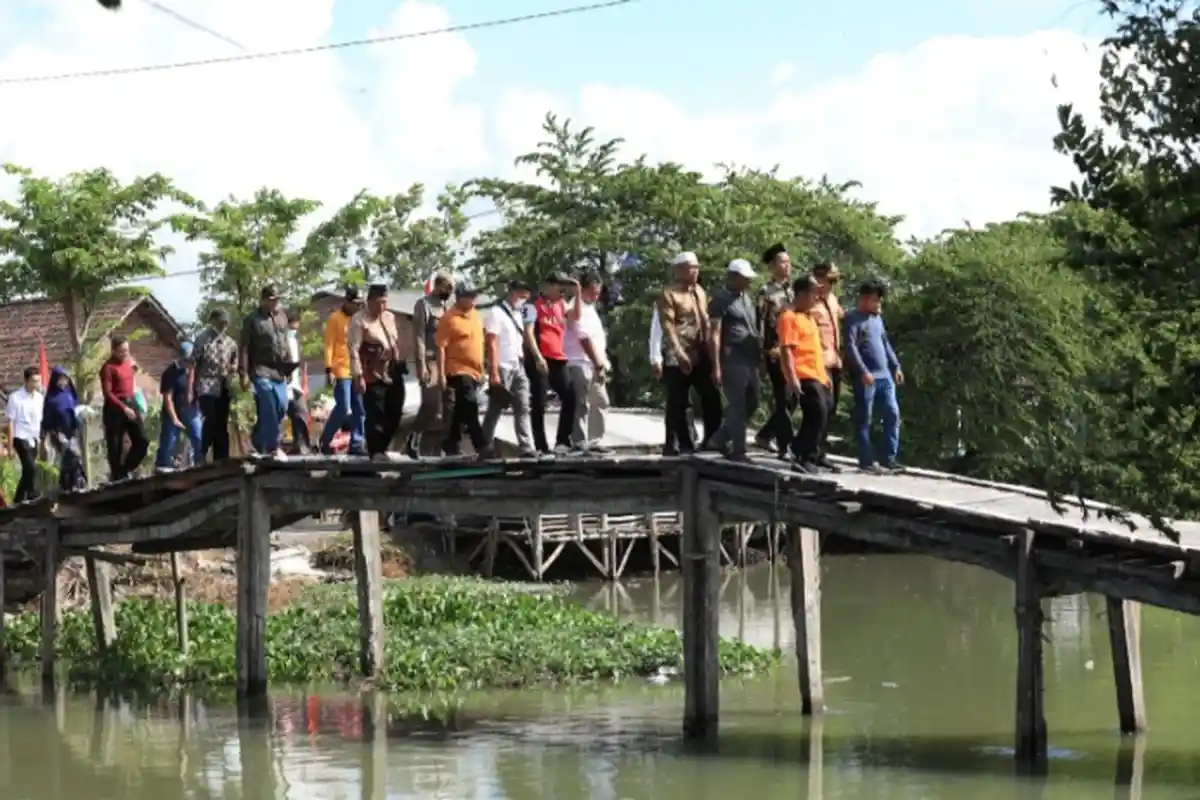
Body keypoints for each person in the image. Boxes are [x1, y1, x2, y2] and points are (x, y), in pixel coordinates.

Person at [658, 251, 722, 453]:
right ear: (679, 270)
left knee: (711, 396)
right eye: (690, 268)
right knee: (678, 401)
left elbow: (707, 321)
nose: (695, 271)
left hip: (701, 351)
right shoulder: (669, 294)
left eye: (696, 267)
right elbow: (668, 326)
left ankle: (712, 440)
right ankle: (681, 444)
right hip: (679, 353)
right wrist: (678, 352)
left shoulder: (700, 291)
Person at [845, 280, 904, 473]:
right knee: (865, 418)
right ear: (864, 299)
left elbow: (885, 344)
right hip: (867, 377)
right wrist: (863, 371)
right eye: (875, 300)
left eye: (880, 300)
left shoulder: (877, 319)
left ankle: (889, 458)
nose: (879, 304)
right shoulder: (853, 318)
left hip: (885, 376)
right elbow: (851, 347)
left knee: (892, 413)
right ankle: (866, 460)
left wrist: (896, 366)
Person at [707, 259, 762, 462]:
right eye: (745, 278)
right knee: (737, 405)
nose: (749, 282)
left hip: (751, 358)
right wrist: (716, 366)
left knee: (753, 401)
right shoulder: (720, 300)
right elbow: (714, 334)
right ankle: (739, 450)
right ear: (733, 277)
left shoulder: (746, 298)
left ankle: (720, 438)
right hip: (732, 359)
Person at [777, 275, 832, 473]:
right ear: (801, 294)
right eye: (813, 293)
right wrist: (791, 378)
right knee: (817, 411)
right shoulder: (788, 316)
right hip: (803, 374)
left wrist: (825, 375)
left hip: (818, 374)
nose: (816, 297)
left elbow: (815, 350)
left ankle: (812, 453)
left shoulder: (809, 318)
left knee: (825, 410)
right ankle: (801, 453)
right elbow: (786, 351)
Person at [348, 284, 406, 459]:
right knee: (376, 413)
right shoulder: (359, 320)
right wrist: (358, 376)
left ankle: (383, 446)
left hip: (392, 370)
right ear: (370, 301)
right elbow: (353, 349)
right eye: (380, 302)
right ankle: (376, 451)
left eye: (385, 302)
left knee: (395, 410)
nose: (383, 306)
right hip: (372, 371)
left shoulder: (389, 317)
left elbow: (394, 342)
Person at [523, 272, 578, 455]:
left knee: (570, 396)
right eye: (559, 286)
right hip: (540, 357)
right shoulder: (532, 304)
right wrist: (537, 357)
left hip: (558, 357)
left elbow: (575, 316)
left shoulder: (561, 304)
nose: (563, 291)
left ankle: (563, 440)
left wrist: (577, 293)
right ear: (548, 285)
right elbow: (528, 332)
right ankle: (541, 446)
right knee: (539, 401)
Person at [482, 279, 537, 457]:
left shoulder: (519, 315)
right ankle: (484, 444)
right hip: (503, 365)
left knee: (523, 406)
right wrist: (494, 371)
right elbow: (491, 342)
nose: (524, 300)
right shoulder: (496, 313)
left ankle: (526, 446)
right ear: (513, 293)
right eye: (522, 296)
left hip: (518, 365)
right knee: (495, 408)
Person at [239, 284, 294, 458]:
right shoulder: (252, 320)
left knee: (282, 406)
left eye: (277, 299)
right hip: (260, 369)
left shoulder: (282, 317)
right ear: (263, 300)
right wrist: (243, 373)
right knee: (269, 402)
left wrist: (289, 366)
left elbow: (286, 343)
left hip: (278, 371)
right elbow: (244, 347)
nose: (274, 303)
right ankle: (273, 446)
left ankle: (257, 440)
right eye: (271, 300)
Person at [436, 279, 487, 457]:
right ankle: (481, 445)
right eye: (469, 296)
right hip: (457, 369)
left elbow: (480, 344)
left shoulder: (476, 316)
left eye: (474, 296)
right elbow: (441, 347)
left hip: (475, 371)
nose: (473, 299)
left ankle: (451, 443)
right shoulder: (449, 318)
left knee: (461, 408)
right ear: (459, 297)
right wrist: (441, 375)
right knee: (471, 405)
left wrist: (483, 369)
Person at [406, 273, 453, 458]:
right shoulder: (423, 305)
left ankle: (439, 447)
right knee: (430, 404)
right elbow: (419, 337)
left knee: (448, 407)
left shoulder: (446, 307)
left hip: (446, 361)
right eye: (447, 288)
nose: (449, 292)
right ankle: (414, 436)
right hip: (430, 360)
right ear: (438, 285)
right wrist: (421, 365)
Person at [564, 272, 611, 454]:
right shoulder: (574, 307)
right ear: (582, 290)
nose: (595, 296)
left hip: (596, 364)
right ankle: (579, 441)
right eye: (592, 292)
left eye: (598, 293)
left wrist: (602, 362)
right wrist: (597, 361)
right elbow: (583, 337)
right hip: (579, 362)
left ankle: (595, 440)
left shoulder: (591, 309)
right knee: (581, 403)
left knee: (601, 401)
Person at [756, 243, 794, 454]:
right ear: (772, 266)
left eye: (789, 262)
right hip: (775, 352)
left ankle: (765, 434)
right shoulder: (766, 292)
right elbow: (760, 324)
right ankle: (784, 445)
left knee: (794, 398)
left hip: (794, 351)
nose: (787, 266)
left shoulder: (793, 291)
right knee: (783, 398)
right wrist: (763, 354)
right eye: (782, 262)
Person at [320, 287, 365, 455]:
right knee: (343, 406)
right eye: (355, 303)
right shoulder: (335, 319)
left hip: (357, 369)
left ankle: (357, 444)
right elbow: (329, 345)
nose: (358, 307)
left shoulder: (360, 319)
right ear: (347, 301)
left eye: (360, 304)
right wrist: (328, 369)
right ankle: (325, 440)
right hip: (340, 369)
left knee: (359, 408)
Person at [189, 307, 238, 462]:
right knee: (211, 419)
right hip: (205, 384)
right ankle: (202, 453)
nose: (224, 325)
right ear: (213, 321)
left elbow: (235, 361)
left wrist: (234, 367)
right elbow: (193, 365)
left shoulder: (231, 343)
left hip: (223, 385)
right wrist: (190, 389)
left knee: (222, 423)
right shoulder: (202, 340)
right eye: (221, 322)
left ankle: (221, 459)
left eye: (226, 323)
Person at [100, 335, 149, 480]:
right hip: (114, 407)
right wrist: (123, 408)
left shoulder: (128, 363)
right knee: (115, 447)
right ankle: (117, 476)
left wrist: (134, 404)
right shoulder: (108, 368)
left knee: (142, 440)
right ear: (114, 351)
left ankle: (127, 467)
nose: (125, 353)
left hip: (131, 402)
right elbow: (108, 393)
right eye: (121, 351)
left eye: (126, 350)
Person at [811, 262, 845, 464]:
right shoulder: (810, 302)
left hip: (835, 360)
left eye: (834, 281)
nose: (832, 285)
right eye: (829, 280)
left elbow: (841, 315)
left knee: (831, 408)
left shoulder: (832, 299)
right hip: (819, 361)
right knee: (821, 407)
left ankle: (819, 451)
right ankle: (810, 450)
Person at [156, 342, 203, 470]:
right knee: (169, 444)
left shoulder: (194, 370)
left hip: (191, 410)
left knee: (199, 438)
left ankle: (200, 467)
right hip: (173, 411)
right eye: (188, 360)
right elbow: (168, 397)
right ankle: (164, 469)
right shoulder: (170, 373)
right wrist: (174, 419)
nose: (190, 363)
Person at [42, 366, 87, 492]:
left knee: (73, 459)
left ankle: (71, 484)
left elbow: (76, 409)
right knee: (71, 456)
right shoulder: (51, 399)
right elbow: (46, 419)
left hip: (73, 432)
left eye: (65, 379)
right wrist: (47, 434)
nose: (63, 382)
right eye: (60, 379)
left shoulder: (70, 394)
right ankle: (72, 483)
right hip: (59, 433)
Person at [6, 366, 43, 502]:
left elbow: (40, 420)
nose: (36, 384)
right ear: (26, 381)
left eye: (38, 381)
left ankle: (21, 499)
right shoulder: (15, 398)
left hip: (34, 437)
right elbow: (10, 422)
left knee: (29, 471)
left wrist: (43, 440)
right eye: (34, 381)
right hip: (20, 436)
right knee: (30, 468)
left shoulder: (39, 398)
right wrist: (10, 446)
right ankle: (32, 496)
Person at [285, 310, 312, 454]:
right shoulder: (282, 340)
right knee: (279, 415)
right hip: (283, 383)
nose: (294, 330)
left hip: (295, 384)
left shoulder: (295, 341)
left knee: (301, 412)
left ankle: (302, 445)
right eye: (292, 327)